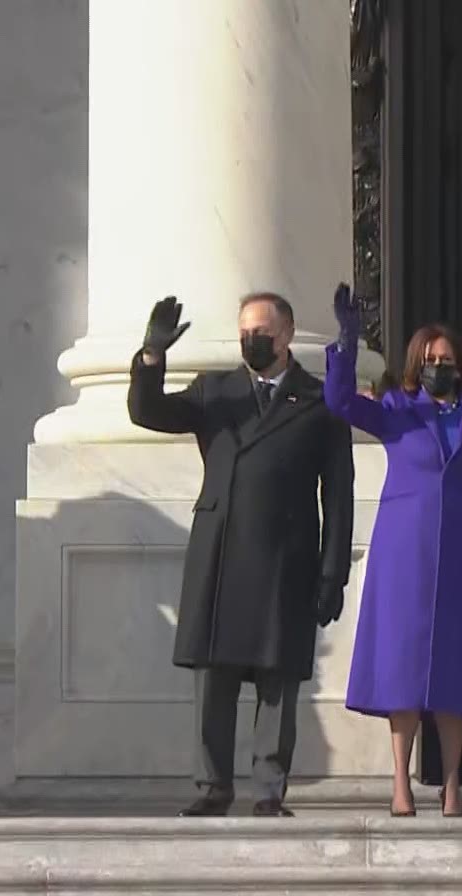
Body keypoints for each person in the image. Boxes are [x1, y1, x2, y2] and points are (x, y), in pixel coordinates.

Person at [127, 293, 354, 818]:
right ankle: (213, 787)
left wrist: (332, 574)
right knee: (214, 676)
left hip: (286, 559)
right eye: (244, 331)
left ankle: (269, 790)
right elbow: (149, 412)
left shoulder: (318, 402)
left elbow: (338, 498)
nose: (251, 341)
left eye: (262, 332)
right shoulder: (217, 391)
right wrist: (151, 358)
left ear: (287, 336)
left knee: (279, 679)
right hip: (222, 552)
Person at [325, 287, 462, 819]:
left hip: (459, 558)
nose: (439, 367)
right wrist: (348, 341)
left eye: (447, 360)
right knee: (403, 671)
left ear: (461, 365)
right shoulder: (397, 410)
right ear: (418, 365)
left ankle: (453, 783)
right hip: (403, 555)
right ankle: (400, 782)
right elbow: (340, 403)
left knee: (455, 673)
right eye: (430, 360)